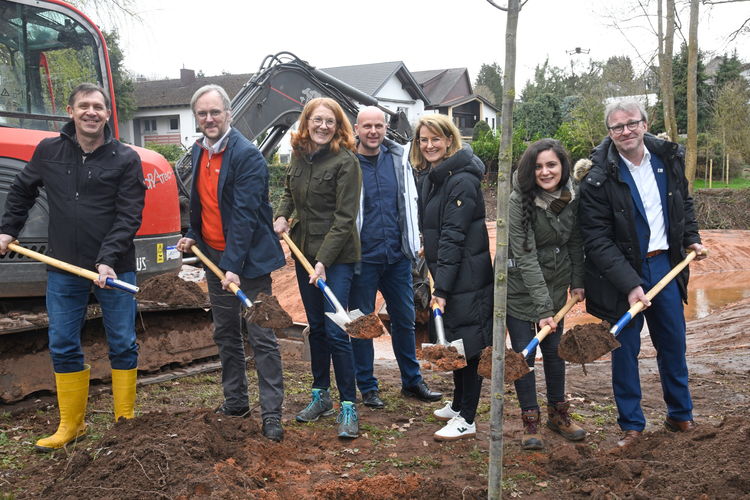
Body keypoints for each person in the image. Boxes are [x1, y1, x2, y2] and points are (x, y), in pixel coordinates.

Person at [0, 83, 144, 451]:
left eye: (98, 106)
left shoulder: (124, 158)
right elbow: (21, 191)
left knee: (123, 343)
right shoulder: (49, 151)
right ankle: (71, 425)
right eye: (84, 106)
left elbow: (129, 216)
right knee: (63, 343)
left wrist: (108, 259)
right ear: (71, 111)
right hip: (64, 265)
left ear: (108, 114)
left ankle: (125, 422)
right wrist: (6, 230)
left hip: (114, 268)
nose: (91, 112)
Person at [578, 98, 707, 450]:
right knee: (624, 349)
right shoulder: (597, 177)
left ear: (645, 124)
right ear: (610, 132)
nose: (625, 131)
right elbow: (597, 239)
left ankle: (680, 415)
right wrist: (630, 284)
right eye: (617, 127)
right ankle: (631, 425)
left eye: (631, 123)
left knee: (673, 344)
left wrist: (691, 238)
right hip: (621, 274)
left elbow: (684, 203)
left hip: (665, 264)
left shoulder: (667, 160)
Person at [176, 84, 286, 442]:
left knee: (261, 335)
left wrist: (234, 266)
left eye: (215, 112)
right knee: (226, 333)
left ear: (229, 114)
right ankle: (236, 401)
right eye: (202, 114)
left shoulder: (247, 156)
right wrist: (193, 232)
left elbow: (244, 216)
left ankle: (271, 414)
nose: (209, 119)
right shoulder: (199, 152)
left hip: (248, 263)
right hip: (214, 257)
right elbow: (203, 203)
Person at [273, 97, 362, 439]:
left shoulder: (346, 162)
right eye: (317, 120)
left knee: (338, 329)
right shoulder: (299, 155)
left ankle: (348, 406)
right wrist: (281, 214)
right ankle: (320, 395)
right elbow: (287, 191)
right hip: (303, 253)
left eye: (330, 121)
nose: (323, 126)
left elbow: (345, 219)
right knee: (317, 327)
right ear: (307, 122)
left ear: (338, 126)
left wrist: (323, 261)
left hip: (335, 259)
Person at [349, 107, 442, 409]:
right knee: (362, 324)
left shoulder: (400, 159)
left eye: (378, 126)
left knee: (405, 320)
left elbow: (414, 198)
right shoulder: (348, 162)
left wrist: (417, 238)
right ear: (357, 129)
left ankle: (412, 382)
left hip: (398, 257)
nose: (373, 131)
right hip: (363, 258)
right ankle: (368, 387)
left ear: (386, 127)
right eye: (367, 127)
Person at [412, 114, 493, 441]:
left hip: (465, 277)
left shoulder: (460, 180)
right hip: (452, 270)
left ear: (449, 140)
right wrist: (425, 248)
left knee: (470, 347)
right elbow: (438, 228)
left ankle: (468, 418)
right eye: (423, 139)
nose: (429, 145)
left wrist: (441, 288)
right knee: (458, 341)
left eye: (436, 139)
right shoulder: (437, 176)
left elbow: (454, 236)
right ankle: (459, 405)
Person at [507, 139, 587, 449]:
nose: (545, 171)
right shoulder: (518, 200)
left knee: (555, 354)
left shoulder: (571, 196)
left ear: (563, 167)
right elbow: (525, 255)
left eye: (551, 164)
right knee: (523, 356)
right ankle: (530, 420)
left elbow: (575, 240)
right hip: (519, 289)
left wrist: (577, 282)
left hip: (556, 285)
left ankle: (558, 414)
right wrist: (542, 308)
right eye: (538, 166)